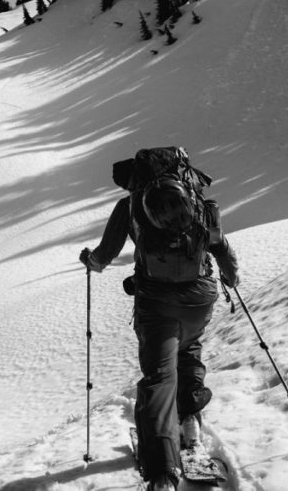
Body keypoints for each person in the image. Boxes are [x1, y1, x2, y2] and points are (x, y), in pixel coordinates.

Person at [80, 154, 238, 491]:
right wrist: (231, 275)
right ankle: (191, 422)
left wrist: (89, 261)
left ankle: (163, 473)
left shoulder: (131, 206)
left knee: (159, 378)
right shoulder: (200, 203)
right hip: (200, 298)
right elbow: (220, 247)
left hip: (156, 304)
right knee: (190, 350)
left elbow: (103, 257)